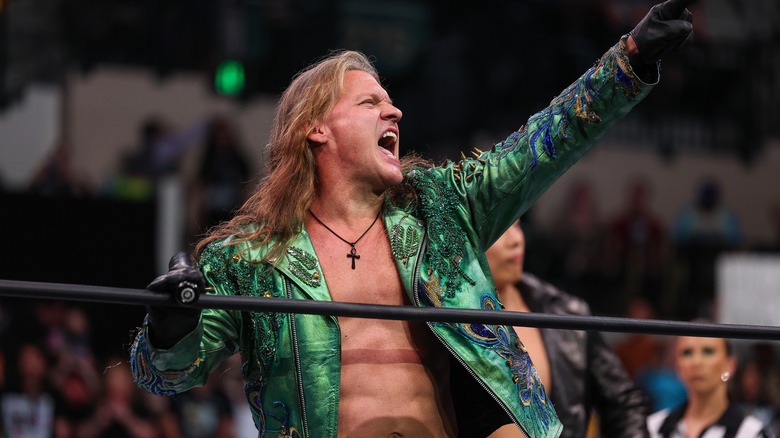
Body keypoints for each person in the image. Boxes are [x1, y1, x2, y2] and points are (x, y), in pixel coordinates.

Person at [129, 2, 694, 436]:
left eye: (391, 100)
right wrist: (169, 326)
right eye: (370, 103)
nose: (393, 109)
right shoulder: (251, 258)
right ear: (316, 129)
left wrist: (631, 60)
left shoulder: (439, 210)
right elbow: (165, 374)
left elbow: (544, 143)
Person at [485, 220, 649, 438]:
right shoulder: (439, 321)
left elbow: (624, 403)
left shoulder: (567, 312)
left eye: (517, 225)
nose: (516, 240)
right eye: (500, 229)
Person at [646, 334, 773, 438]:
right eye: (687, 352)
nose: (696, 362)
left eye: (708, 351)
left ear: (730, 365)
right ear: (678, 366)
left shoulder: (751, 433)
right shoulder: (653, 427)